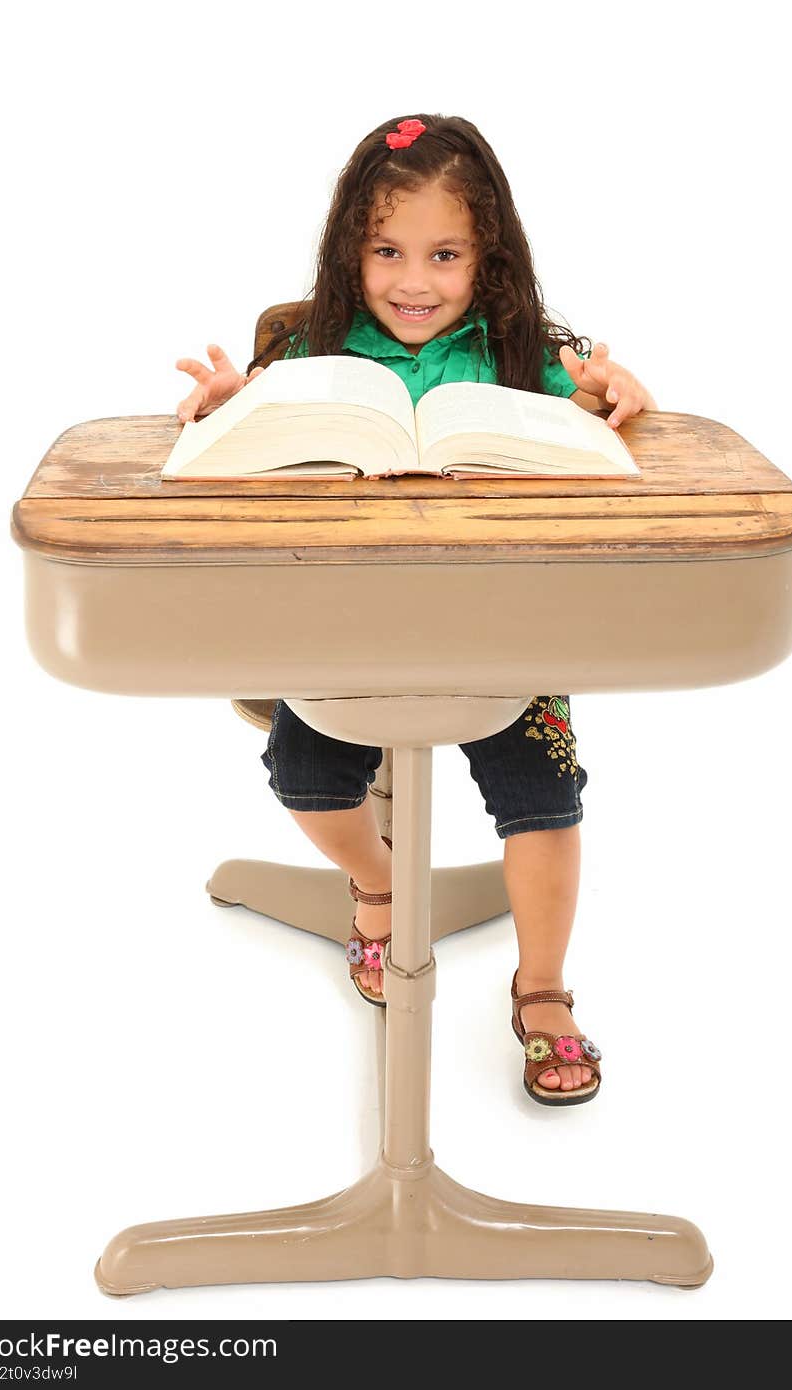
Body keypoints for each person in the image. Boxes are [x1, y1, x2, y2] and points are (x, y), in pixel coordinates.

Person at [174, 114, 656, 1107]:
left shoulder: (524, 352)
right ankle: (383, 885)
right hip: (341, 632)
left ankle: (543, 990)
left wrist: (609, 390)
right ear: (352, 251)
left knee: (546, 798)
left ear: (488, 258)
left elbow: (608, 411)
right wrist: (231, 402)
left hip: (504, 637)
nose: (413, 281)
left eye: (445, 254)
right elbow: (251, 427)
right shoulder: (308, 350)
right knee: (303, 773)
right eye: (388, 251)